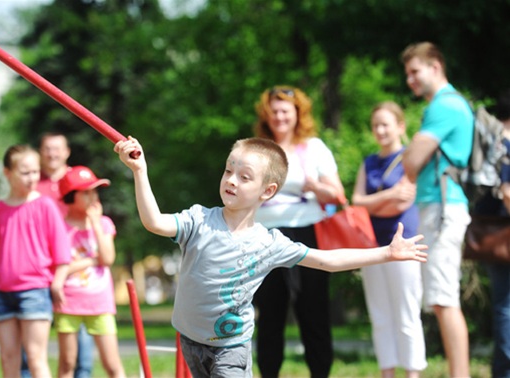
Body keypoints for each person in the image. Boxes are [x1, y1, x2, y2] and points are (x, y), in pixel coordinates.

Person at [114, 136, 428, 377]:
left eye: (244, 176)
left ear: (267, 191)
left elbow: (327, 261)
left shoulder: (270, 243)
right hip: (189, 340)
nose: (231, 180)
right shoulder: (198, 220)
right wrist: (140, 172)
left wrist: (387, 252)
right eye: (228, 170)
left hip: (229, 348)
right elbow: (154, 222)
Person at [251, 86, 345, 377]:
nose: (279, 116)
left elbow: (338, 196)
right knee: (269, 312)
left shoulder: (314, 147)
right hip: (264, 236)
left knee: (313, 310)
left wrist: (314, 186)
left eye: (285, 111)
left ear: (297, 114)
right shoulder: (257, 149)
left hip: (307, 233)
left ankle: (320, 373)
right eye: (274, 111)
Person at [401, 41, 473, 377]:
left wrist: (411, 153)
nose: (410, 80)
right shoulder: (447, 104)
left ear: (435, 66)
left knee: (445, 299)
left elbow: (412, 162)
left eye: (415, 72)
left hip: (443, 208)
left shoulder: (445, 105)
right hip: (439, 205)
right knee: (442, 299)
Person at [352, 102, 427, 377]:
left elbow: (403, 202)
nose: (380, 130)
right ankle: (387, 373)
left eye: (385, 124)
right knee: (380, 315)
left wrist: (375, 203)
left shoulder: (410, 159)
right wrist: (387, 196)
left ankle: (412, 373)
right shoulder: (369, 162)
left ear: (400, 126)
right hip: (371, 246)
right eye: (376, 125)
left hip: (405, 244)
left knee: (407, 314)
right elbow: (357, 202)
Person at [0, 144, 71, 378]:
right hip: (3, 293)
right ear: (7, 173)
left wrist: (57, 283)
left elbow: (62, 252)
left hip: (35, 291)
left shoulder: (46, 205)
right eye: (25, 172)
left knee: (35, 357)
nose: (32, 178)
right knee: (8, 357)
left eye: (35, 171)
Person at [19, 132, 95, 378]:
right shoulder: (31, 182)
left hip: (72, 269)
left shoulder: (79, 181)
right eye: (47, 149)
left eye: (57, 149)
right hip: (39, 270)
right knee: (30, 348)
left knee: (80, 347)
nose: (52, 154)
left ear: (67, 151)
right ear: (40, 153)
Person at [54, 166, 126, 378]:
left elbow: (108, 259)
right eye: (85, 192)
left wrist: (95, 223)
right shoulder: (59, 227)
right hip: (68, 302)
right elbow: (60, 269)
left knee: (112, 364)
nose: (92, 197)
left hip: (100, 302)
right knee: (67, 363)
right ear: (70, 196)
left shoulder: (103, 224)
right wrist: (91, 260)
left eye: (94, 191)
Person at [478, 90, 510, 377]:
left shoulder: (491, 141)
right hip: (505, 232)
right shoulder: (506, 144)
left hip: (493, 234)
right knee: (505, 309)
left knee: (503, 306)